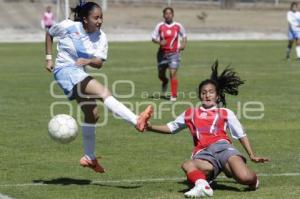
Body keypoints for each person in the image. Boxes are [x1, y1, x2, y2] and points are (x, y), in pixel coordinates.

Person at [45, 2, 153, 173]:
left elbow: (99, 63)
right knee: (103, 92)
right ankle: (135, 120)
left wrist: (87, 61)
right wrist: (49, 58)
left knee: (92, 114)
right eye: (96, 17)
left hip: (78, 71)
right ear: (85, 19)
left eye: (101, 17)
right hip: (65, 70)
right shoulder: (68, 26)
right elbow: (50, 33)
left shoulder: (101, 37)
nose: (100, 21)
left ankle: (89, 157)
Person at [146, 61, 269, 198]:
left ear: (217, 96)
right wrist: (150, 127)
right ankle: (203, 186)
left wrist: (252, 155)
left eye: (211, 92)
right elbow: (171, 127)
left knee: (245, 178)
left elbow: (241, 134)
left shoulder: (225, 112)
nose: (207, 95)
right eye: (203, 93)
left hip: (224, 149)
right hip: (204, 154)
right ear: (199, 96)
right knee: (187, 165)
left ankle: (250, 179)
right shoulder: (190, 113)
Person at [151, 7, 187, 102]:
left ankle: (173, 96)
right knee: (161, 75)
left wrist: (183, 45)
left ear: (173, 15)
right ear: (163, 15)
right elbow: (153, 38)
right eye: (166, 13)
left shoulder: (178, 26)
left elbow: (184, 35)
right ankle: (164, 81)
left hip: (174, 53)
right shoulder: (160, 26)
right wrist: (159, 42)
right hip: (162, 54)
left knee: (173, 73)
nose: (168, 15)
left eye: (170, 13)